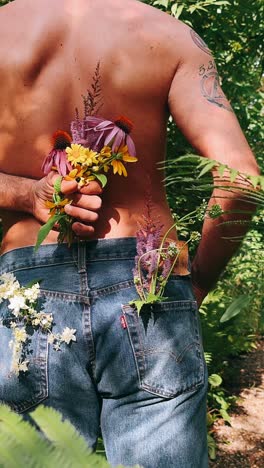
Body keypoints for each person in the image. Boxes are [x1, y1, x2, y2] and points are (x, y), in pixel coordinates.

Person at [0, 0, 259, 467]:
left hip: (29, 290)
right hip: (151, 280)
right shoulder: (170, 36)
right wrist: (195, 283)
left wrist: (26, 194)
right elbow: (240, 182)